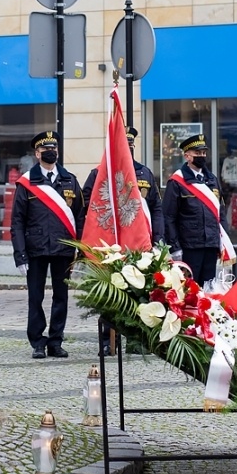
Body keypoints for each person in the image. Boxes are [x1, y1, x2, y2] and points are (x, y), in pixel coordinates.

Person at [82, 126, 163, 355]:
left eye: (130, 145)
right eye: (122, 144)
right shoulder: (97, 173)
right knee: (110, 293)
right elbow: (88, 211)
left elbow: (156, 209)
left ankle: (135, 340)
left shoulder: (144, 174)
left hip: (137, 243)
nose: (126, 148)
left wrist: (158, 238)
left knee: (138, 291)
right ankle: (107, 341)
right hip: (109, 244)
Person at [11, 131, 85, 359]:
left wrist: (81, 250)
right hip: (36, 249)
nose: (51, 152)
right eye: (46, 150)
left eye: (54, 149)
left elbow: (80, 217)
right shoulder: (27, 183)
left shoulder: (70, 179)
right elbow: (17, 222)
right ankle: (37, 342)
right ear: (37, 153)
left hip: (64, 249)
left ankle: (56, 341)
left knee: (61, 296)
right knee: (36, 297)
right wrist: (20, 255)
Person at [162, 133, 230, 287]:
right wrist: (175, 247)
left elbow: (221, 213)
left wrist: (223, 240)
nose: (202, 156)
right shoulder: (177, 181)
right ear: (187, 156)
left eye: (204, 153)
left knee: (208, 288)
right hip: (189, 246)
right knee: (189, 289)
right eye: (197, 153)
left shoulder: (212, 180)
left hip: (210, 245)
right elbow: (169, 217)